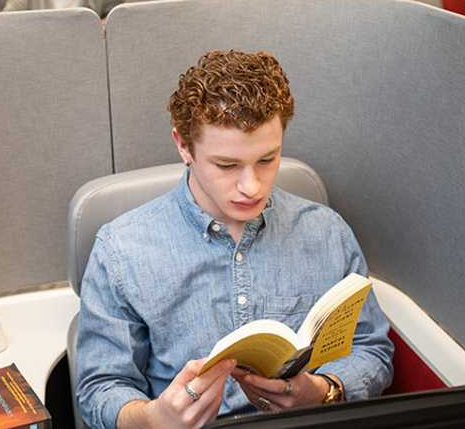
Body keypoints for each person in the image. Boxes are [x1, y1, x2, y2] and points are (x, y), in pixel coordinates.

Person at [76, 50, 394, 429]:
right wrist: (150, 419)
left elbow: (372, 348)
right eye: (227, 165)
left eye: (267, 159)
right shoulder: (121, 250)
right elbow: (100, 388)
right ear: (183, 146)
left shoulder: (326, 233)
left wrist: (325, 390)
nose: (252, 187)